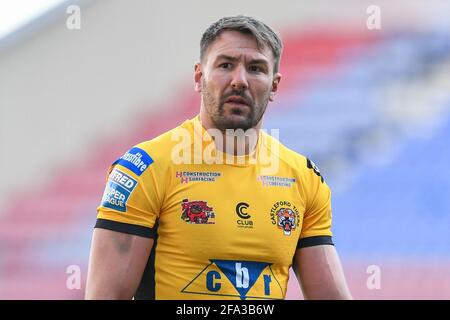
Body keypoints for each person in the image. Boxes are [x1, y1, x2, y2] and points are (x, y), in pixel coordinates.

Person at [85, 15, 352, 300]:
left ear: (274, 86)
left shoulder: (303, 177)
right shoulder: (146, 168)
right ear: (199, 77)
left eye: (256, 68)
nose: (239, 80)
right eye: (226, 65)